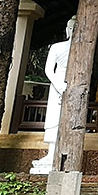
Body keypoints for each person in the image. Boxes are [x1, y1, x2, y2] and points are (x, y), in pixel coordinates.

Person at [30, 16, 75, 174]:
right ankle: (51, 153)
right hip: (58, 84)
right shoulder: (57, 47)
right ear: (68, 30)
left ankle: (65, 154)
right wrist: (58, 84)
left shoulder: (81, 49)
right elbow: (49, 69)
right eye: (72, 28)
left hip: (74, 84)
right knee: (54, 120)